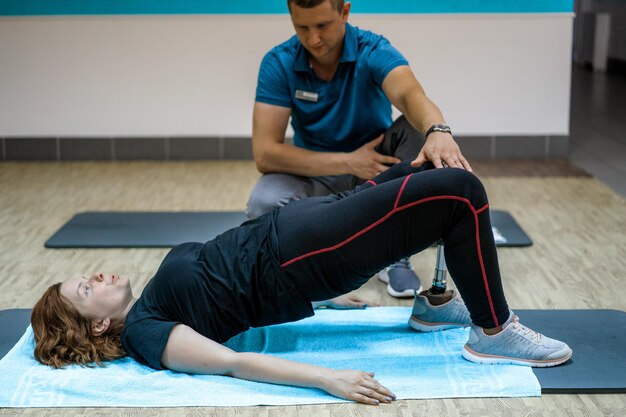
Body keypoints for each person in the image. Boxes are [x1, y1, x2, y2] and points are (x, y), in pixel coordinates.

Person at [32, 162, 572, 405]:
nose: (99, 274)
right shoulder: (145, 333)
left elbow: (228, 289)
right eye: (87, 288)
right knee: (459, 193)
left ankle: (433, 307)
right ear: (98, 322)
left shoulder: (151, 299)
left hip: (298, 233)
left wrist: (332, 298)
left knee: (419, 169)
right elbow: (232, 361)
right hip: (301, 252)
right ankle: (493, 332)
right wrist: (325, 379)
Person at [248, 0, 472, 297]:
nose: (313, 38)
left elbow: (409, 95)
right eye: (302, 27)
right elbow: (265, 154)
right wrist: (349, 162)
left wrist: (438, 129)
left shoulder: (372, 50)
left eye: (323, 26)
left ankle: (395, 255)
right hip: (315, 174)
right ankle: (296, 269)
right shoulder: (280, 62)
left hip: (377, 174)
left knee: (415, 128)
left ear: (344, 12)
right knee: (263, 202)